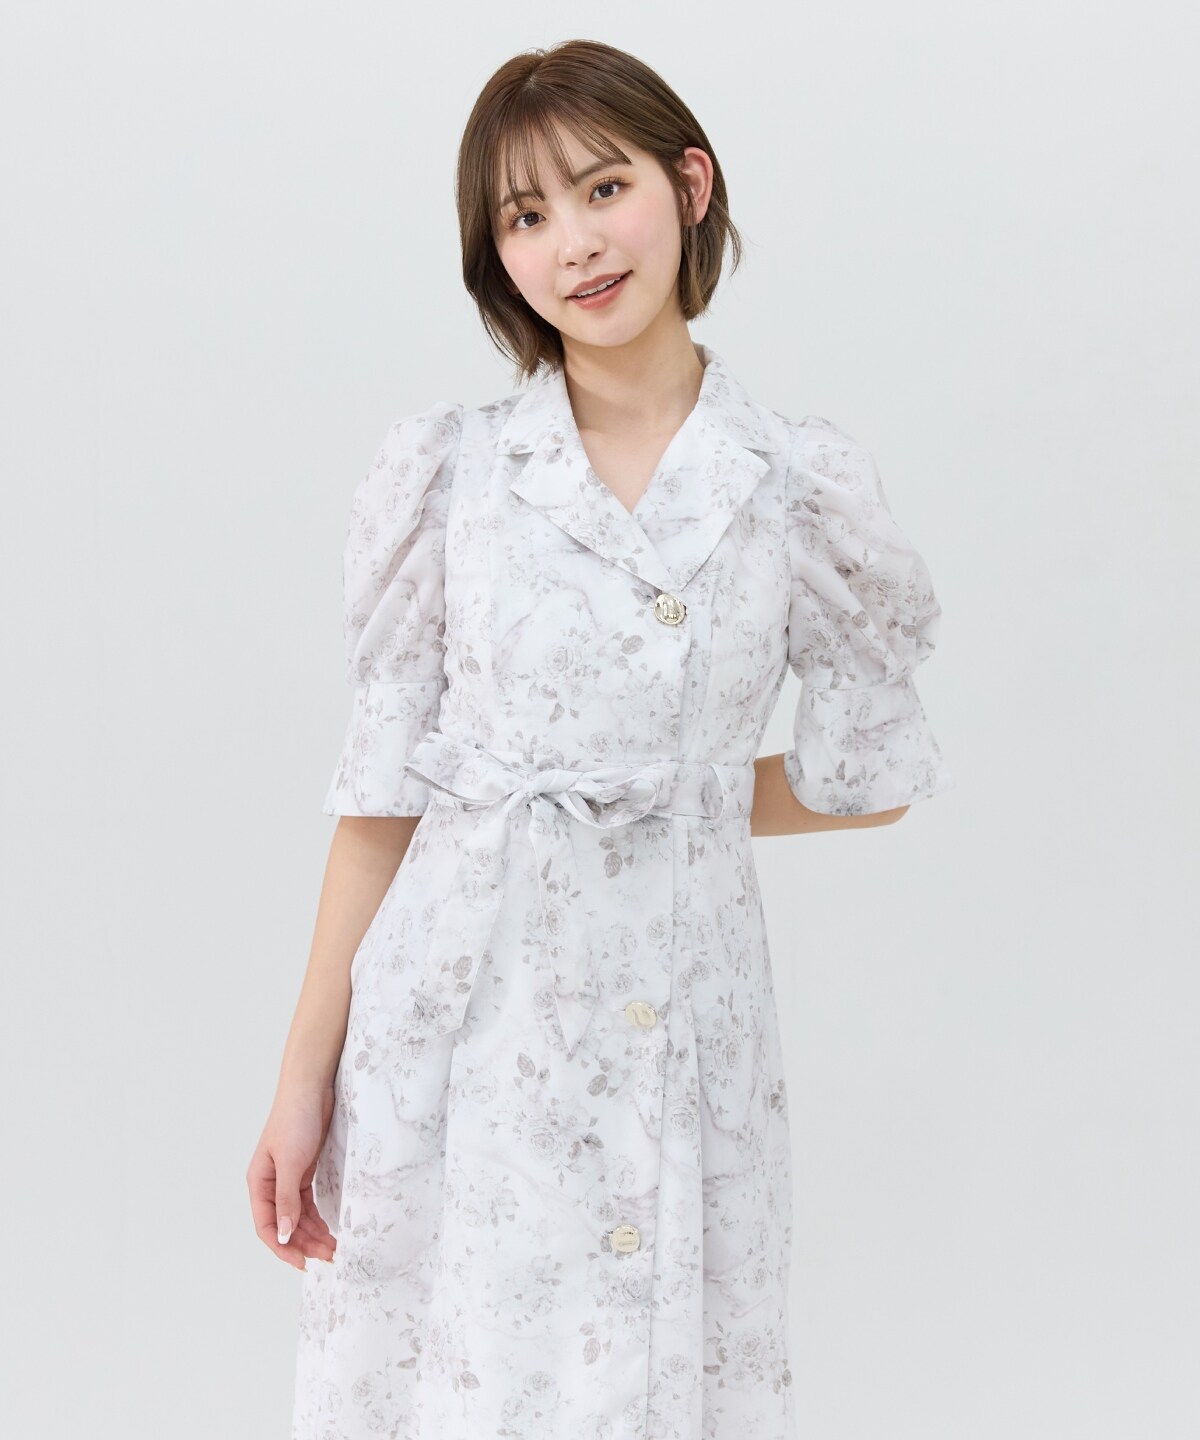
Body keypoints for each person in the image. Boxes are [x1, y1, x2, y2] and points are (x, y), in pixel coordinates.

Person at [247, 36, 955, 1440]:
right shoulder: (449, 479)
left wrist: (667, 795)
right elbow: (384, 794)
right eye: (525, 215)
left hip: (684, 1013)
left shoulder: (794, 486)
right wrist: (301, 1074)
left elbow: (865, 779)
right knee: (456, 1381)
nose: (572, 242)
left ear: (690, 185)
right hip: (462, 1010)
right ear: (496, 256)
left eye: (602, 187)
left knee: (659, 1376)